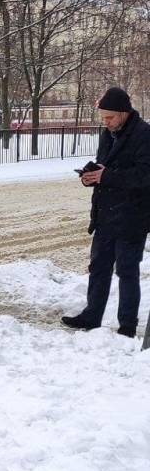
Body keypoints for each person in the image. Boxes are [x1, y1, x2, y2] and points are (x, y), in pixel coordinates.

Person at [62, 87, 150, 338]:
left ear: (124, 113)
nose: (106, 122)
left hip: (132, 216)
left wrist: (106, 176)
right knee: (99, 267)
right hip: (106, 213)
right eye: (103, 118)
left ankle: (127, 326)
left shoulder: (144, 135)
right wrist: (90, 177)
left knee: (127, 270)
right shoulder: (107, 134)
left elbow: (145, 175)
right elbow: (103, 165)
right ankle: (92, 316)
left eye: (109, 117)